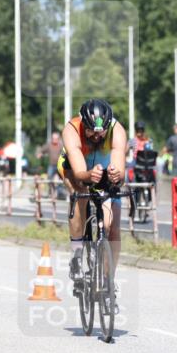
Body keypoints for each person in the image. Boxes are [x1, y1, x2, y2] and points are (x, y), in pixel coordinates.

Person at [58, 99, 128, 311]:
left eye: (101, 132)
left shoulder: (117, 130)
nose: (97, 136)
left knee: (112, 227)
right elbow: (80, 173)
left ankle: (108, 282)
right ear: (83, 124)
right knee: (79, 194)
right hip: (75, 167)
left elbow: (120, 173)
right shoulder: (71, 129)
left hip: (103, 167)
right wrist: (88, 176)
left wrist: (116, 175)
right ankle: (77, 253)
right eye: (91, 132)